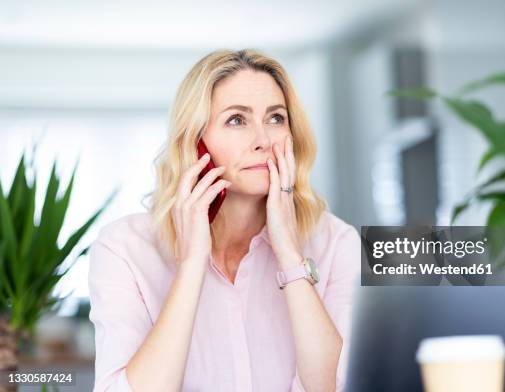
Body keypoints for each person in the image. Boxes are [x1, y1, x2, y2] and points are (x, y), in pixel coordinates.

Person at [88, 49, 361, 392]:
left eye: (276, 118)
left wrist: (291, 257)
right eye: (237, 120)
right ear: (196, 142)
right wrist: (191, 264)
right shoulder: (124, 248)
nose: (263, 140)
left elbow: (335, 387)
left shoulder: (336, 242)